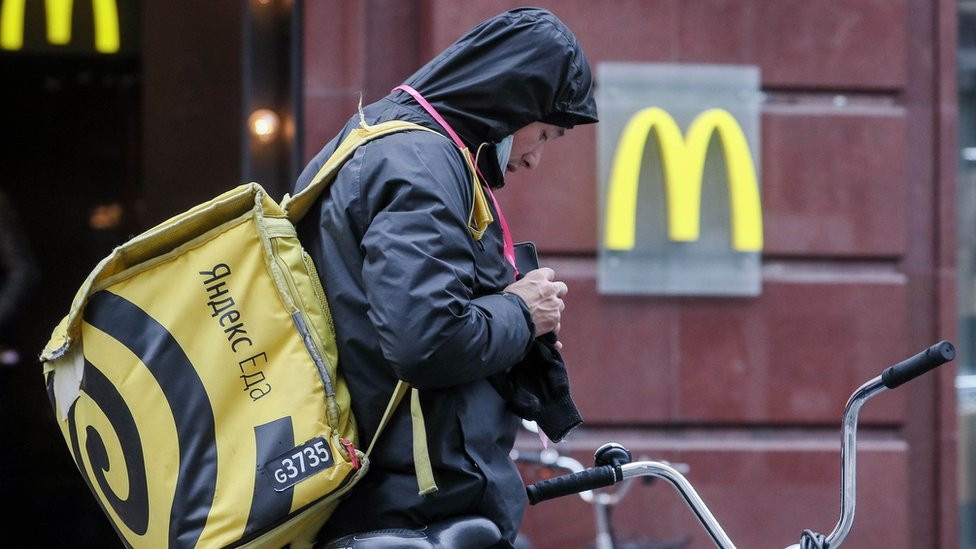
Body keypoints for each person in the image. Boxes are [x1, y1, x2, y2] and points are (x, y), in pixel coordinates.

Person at [293, 8, 597, 547]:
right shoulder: (419, 164)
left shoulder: (384, 142)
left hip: (395, 503)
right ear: (511, 103)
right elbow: (428, 340)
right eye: (545, 133)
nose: (535, 159)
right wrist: (522, 312)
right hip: (416, 513)